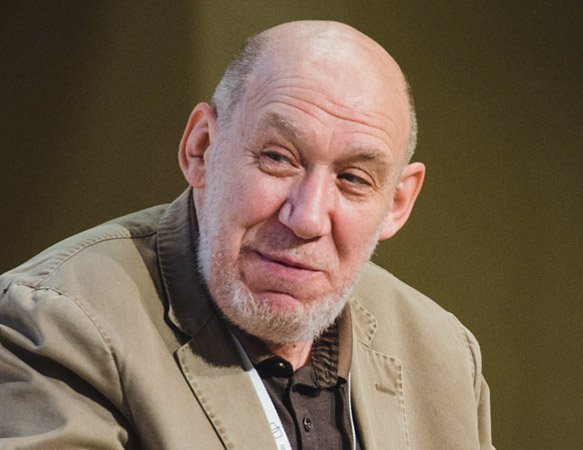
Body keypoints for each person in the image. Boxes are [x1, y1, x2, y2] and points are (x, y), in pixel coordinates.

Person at [0, 21, 493, 449]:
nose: (307, 218)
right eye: (278, 158)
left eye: (353, 179)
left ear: (397, 203)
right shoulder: (55, 325)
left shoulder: (443, 355)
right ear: (201, 148)